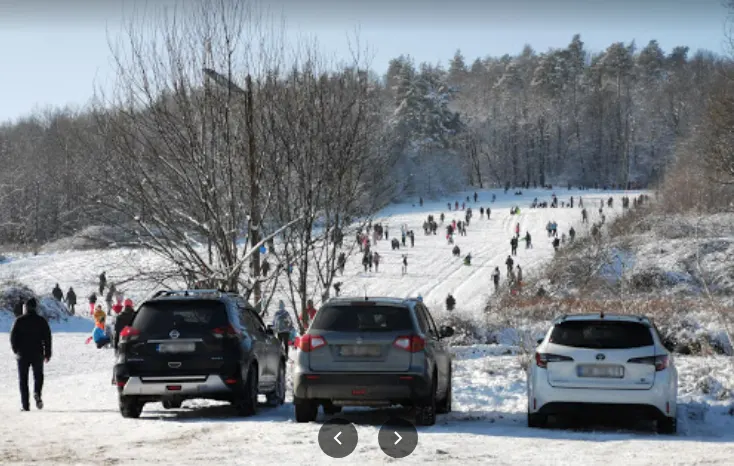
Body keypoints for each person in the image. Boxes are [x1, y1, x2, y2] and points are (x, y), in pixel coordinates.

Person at [10, 298, 52, 411]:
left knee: (23, 380)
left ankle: (25, 405)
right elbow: (47, 338)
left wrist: (16, 349)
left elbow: (13, 337)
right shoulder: (41, 321)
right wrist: (47, 353)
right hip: (37, 353)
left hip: (22, 354)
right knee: (38, 376)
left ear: (26, 307)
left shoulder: (19, 320)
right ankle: (37, 392)